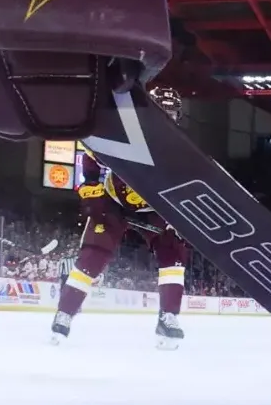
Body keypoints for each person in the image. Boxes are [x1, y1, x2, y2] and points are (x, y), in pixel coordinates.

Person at [50, 93, 191, 348]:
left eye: (171, 114)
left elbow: (183, 185)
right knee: (92, 256)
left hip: (153, 209)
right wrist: (92, 189)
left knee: (174, 253)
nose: (166, 119)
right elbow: (91, 157)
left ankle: (168, 315)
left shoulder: (179, 147)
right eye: (162, 112)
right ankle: (65, 313)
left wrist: (176, 216)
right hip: (114, 203)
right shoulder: (124, 133)